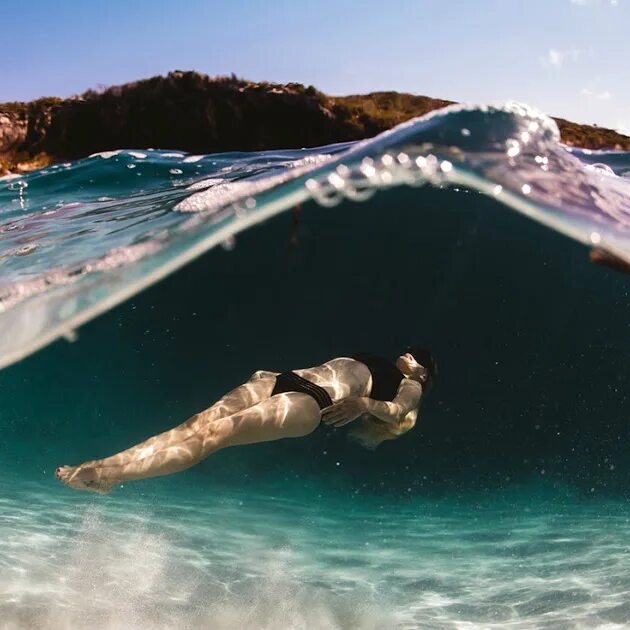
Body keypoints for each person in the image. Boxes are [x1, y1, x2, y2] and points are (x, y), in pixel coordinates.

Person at [56, 348, 437, 494]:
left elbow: (398, 411)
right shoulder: (387, 363)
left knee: (214, 436)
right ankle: (104, 469)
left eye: (417, 356)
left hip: (309, 403)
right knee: (192, 426)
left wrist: (363, 403)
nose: (408, 353)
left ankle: (114, 476)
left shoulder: (412, 384)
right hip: (281, 379)